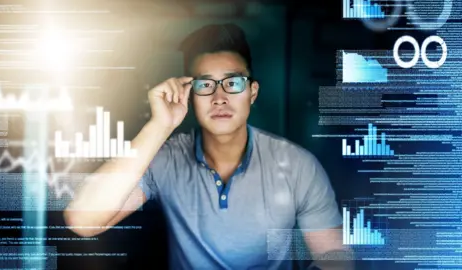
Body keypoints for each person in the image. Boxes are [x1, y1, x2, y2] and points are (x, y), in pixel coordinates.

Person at [64, 23, 354, 270]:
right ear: (189, 95)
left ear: (252, 92)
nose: (219, 98)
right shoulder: (167, 158)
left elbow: (336, 260)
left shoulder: (298, 165)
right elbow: (83, 221)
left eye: (233, 83)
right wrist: (160, 125)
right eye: (205, 85)